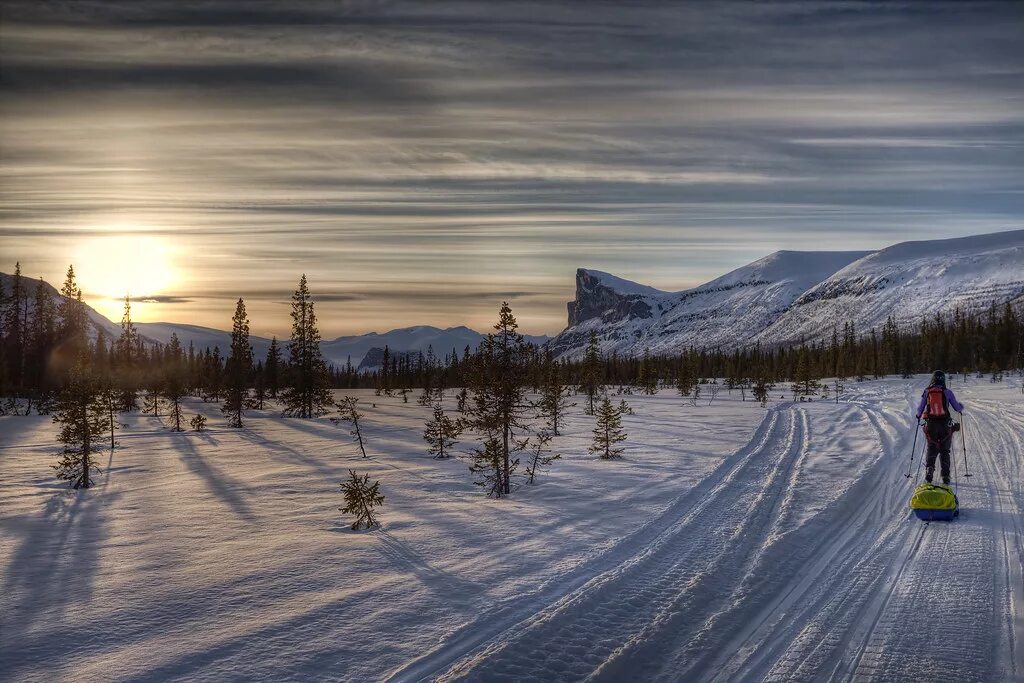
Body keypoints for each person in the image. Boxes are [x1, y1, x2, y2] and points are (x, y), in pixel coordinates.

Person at [915, 370, 964, 485]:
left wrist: (918, 416)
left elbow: (920, 409)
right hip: (945, 424)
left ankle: (929, 471)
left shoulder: (927, 392)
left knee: (932, 448)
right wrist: (961, 407)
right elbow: (957, 408)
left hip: (931, 424)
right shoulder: (947, 392)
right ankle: (945, 476)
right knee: (945, 451)